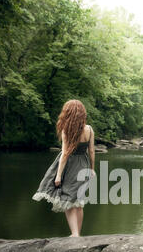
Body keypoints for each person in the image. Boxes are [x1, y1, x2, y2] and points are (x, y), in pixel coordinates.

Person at [32, 99, 96, 237]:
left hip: (70, 167)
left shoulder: (66, 130)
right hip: (83, 165)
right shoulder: (89, 129)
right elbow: (91, 151)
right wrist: (92, 169)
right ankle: (77, 233)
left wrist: (58, 175)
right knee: (78, 201)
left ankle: (74, 234)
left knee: (68, 199)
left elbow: (65, 154)